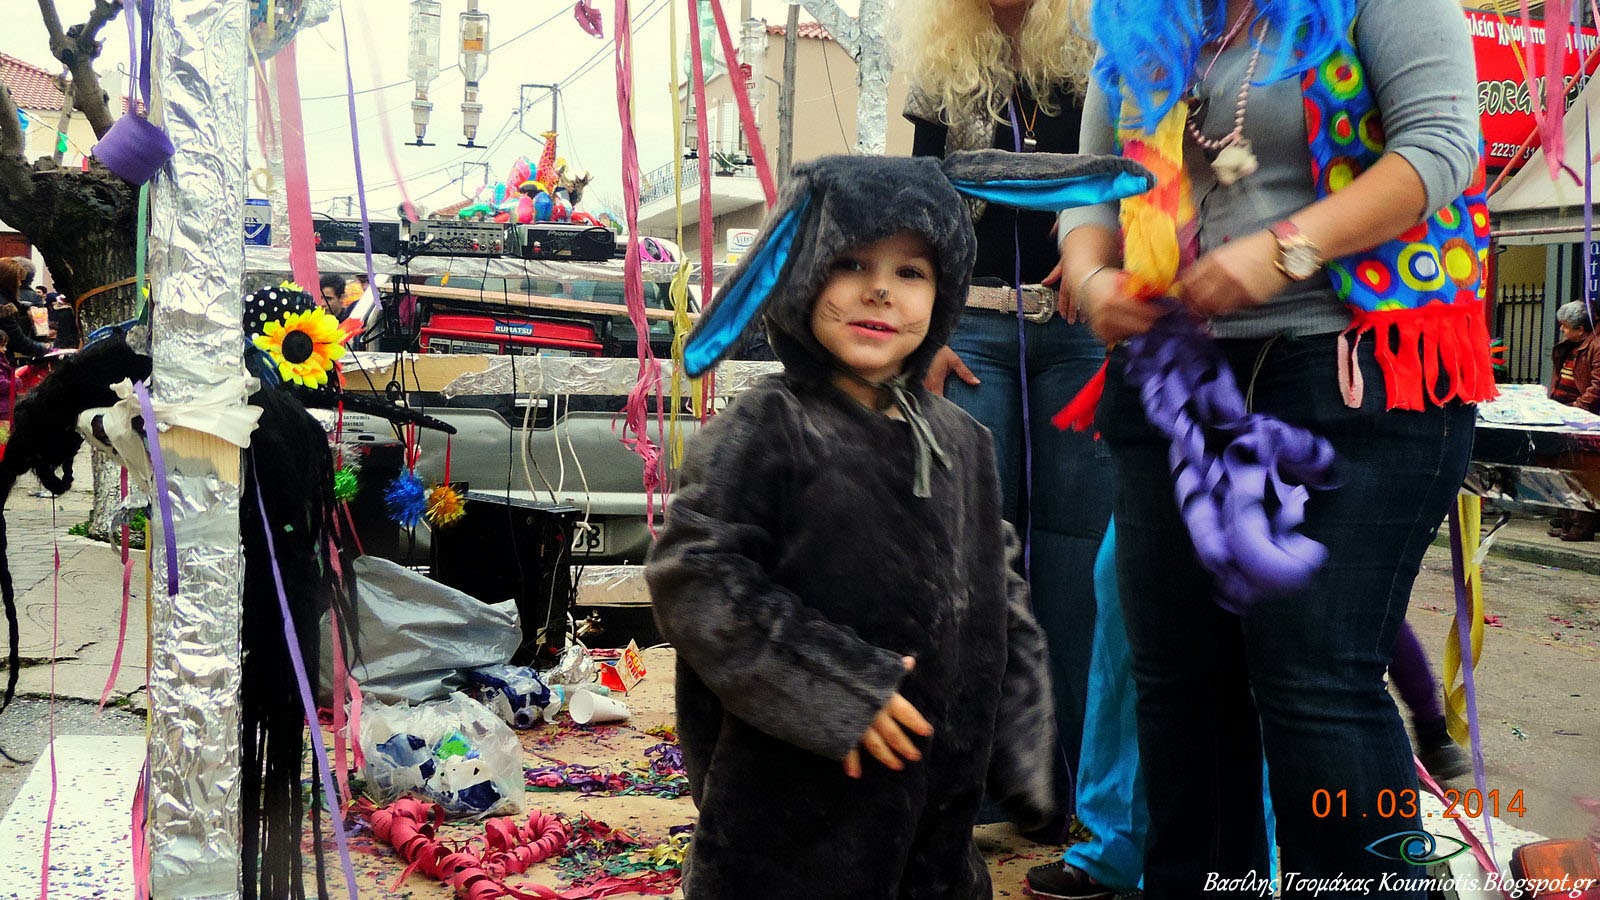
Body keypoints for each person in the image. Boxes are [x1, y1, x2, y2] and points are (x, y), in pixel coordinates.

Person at [1054, 0, 1496, 896]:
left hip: (1350, 372)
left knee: (1315, 684)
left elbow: (1442, 146)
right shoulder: (1139, 26)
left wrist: (1288, 250)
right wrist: (1095, 275)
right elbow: (1092, 188)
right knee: (1181, 687)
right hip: (1173, 380)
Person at [644, 151, 1143, 899]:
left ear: (943, 295)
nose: (881, 289)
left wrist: (1025, 743)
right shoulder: (767, 426)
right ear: (801, 271)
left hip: (934, 839)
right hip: (785, 824)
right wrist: (837, 685)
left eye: (912, 272)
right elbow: (694, 573)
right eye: (850, 263)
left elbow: (1001, 599)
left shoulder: (965, 443)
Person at [896, 0, 1108, 820]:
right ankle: (977, 787)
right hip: (972, 336)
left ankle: (1078, 792)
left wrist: (1102, 258)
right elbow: (913, 214)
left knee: (1081, 565)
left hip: (1084, 330)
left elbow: (1139, 176)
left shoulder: (1099, 50)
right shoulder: (939, 64)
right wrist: (928, 332)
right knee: (977, 557)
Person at [1549, 300, 1599, 540]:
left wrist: (1578, 408)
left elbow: (1597, 385)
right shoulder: (1570, 346)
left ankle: (1581, 525)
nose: (1562, 330)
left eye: (1566, 326)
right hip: (1565, 414)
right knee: (1564, 469)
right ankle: (1567, 521)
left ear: (1580, 329)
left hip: (1582, 417)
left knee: (1582, 472)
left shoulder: (1595, 347)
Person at [0, 258, 50, 364]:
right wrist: (45, 348)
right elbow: (40, 331)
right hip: (14, 355)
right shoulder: (4, 308)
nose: (19, 284)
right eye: (17, 280)